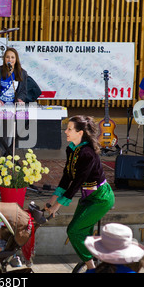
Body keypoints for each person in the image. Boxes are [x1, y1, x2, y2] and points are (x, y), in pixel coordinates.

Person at [45, 115, 115, 270]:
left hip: (101, 198)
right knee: (83, 234)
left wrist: (57, 206)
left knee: (74, 230)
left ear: (80, 132)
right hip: (87, 196)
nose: (65, 132)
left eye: (70, 129)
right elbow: (67, 176)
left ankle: (91, 268)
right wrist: (51, 201)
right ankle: (93, 262)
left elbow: (76, 183)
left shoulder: (87, 154)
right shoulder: (71, 149)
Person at [0, 47, 28, 166]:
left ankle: (4, 169)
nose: (10, 59)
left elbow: (23, 91)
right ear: (4, 59)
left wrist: (20, 99)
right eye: (8, 57)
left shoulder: (22, 73)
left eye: (12, 57)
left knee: (7, 141)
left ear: (16, 59)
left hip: (11, 109)